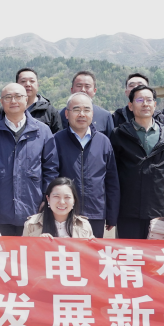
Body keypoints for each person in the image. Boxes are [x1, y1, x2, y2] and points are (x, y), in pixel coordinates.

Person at [23, 178, 93, 326]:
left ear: (74, 201)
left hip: (73, 281)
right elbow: (22, 259)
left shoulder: (83, 225)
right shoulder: (32, 224)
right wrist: (37, 246)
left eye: (67, 197)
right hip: (41, 280)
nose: (62, 202)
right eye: (56, 196)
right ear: (48, 199)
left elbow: (91, 260)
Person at [0, 83, 58, 236]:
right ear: (1, 102)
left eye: (18, 96)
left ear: (26, 99)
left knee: (31, 251)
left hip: (33, 209)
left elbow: (51, 169)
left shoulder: (42, 131)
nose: (13, 101)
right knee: (1, 249)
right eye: (8, 97)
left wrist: (47, 198)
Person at [110, 85, 164, 239]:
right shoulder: (118, 134)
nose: (145, 104)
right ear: (130, 106)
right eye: (139, 100)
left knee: (158, 252)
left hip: (160, 209)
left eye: (149, 100)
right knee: (129, 252)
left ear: (155, 105)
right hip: (128, 210)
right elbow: (112, 173)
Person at [53, 92, 120, 238]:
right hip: (64, 212)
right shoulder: (56, 140)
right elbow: (51, 176)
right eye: (76, 109)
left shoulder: (103, 141)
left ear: (92, 114)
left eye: (86, 110)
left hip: (95, 213)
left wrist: (112, 214)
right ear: (67, 114)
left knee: (92, 251)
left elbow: (111, 180)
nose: (82, 114)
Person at [57, 71, 114, 137]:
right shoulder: (59, 115)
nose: (83, 90)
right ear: (72, 90)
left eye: (87, 86)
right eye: (79, 86)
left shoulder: (105, 116)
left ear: (94, 91)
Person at [16, 67, 62, 133]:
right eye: (23, 81)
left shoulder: (50, 111)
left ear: (37, 85)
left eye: (32, 81)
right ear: (16, 85)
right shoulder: (8, 109)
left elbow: (57, 136)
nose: (28, 84)